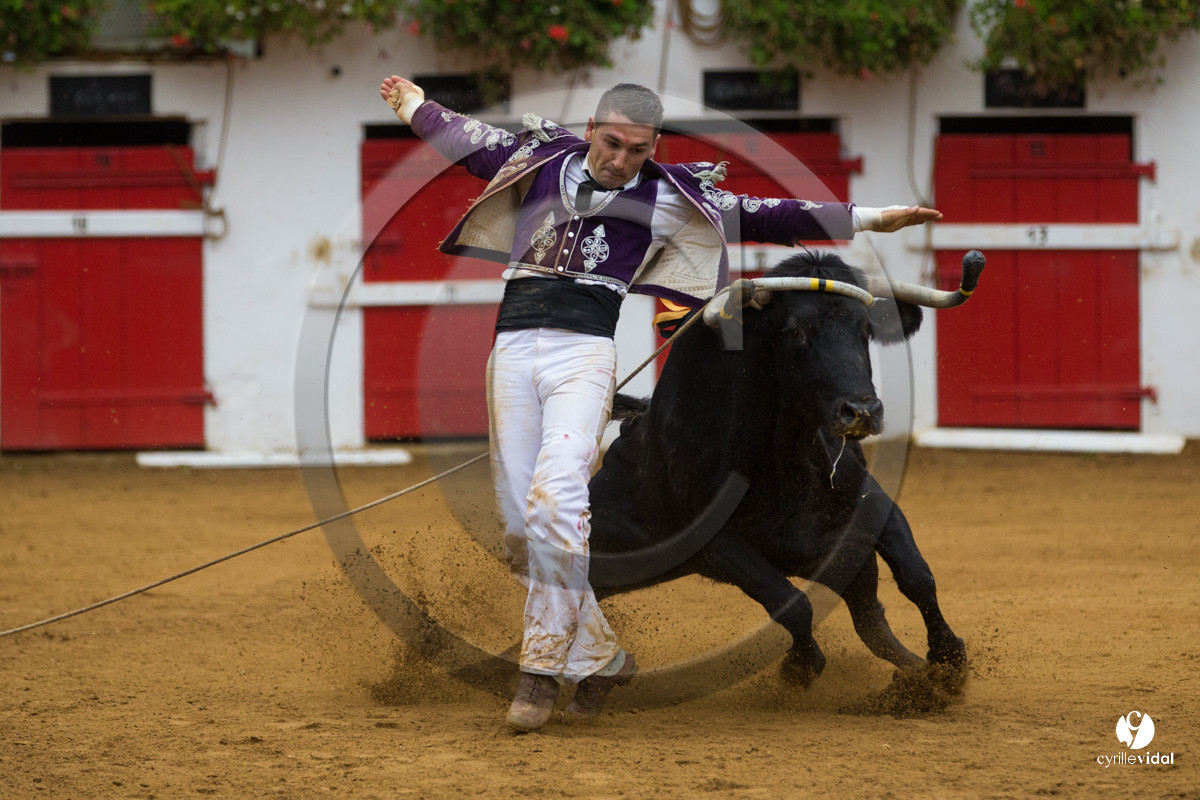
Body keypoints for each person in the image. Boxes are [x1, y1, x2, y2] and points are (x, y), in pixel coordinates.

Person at [378, 75, 941, 731]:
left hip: (582, 357)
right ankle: (601, 657)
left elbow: (765, 213)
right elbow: (465, 139)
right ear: (592, 131)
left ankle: (540, 670)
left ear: (654, 147)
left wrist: (871, 218)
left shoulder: (669, 197)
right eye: (612, 144)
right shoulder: (538, 159)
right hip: (510, 354)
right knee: (521, 531)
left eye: (637, 150)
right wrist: (413, 105)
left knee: (558, 502)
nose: (621, 160)